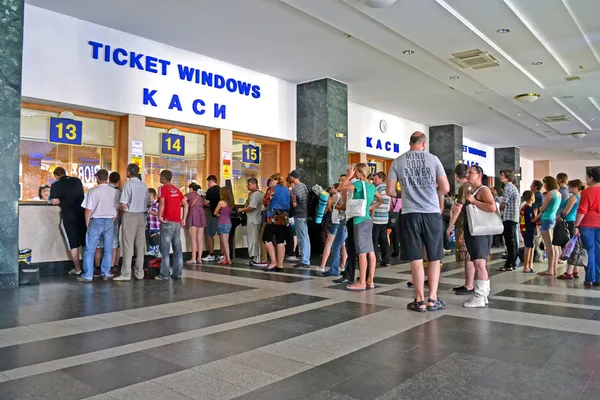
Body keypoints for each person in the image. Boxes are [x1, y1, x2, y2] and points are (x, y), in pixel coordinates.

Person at [387, 131, 450, 312]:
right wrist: (430, 191)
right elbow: (445, 188)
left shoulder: (398, 161)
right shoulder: (434, 159)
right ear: (424, 144)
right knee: (434, 257)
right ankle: (432, 299)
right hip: (431, 213)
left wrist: (405, 194)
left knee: (415, 258)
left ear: (410, 143)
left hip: (409, 213)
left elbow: (391, 191)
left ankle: (419, 300)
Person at [339, 163, 383, 290]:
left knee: (362, 252)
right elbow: (381, 200)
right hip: (368, 219)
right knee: (370, 250)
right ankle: (370, 280)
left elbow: (342, 188)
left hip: (359, 220)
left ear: (360, 172)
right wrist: (369, 208)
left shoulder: (359, 184)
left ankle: (362, 281)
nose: (355, 173)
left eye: (356, 171)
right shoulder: (371, 186)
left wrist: (348, 176)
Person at [461, 166, 496, 307]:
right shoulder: (474, 190)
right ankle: (483, 294)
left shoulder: (483, 190)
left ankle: (480, 297)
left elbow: (492, 207)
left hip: (481, 232)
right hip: (474, 230)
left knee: (479, 263)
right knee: (478, 263)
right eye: (467, 172)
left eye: (471, 173)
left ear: (479, 175)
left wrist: (474, 201)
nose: (467, 175)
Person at [78, 169, 120, 282]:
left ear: (97, 177)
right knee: (108, 249)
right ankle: (106, 273)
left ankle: (88, 275)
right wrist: (113, 218)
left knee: (90, 249)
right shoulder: (114, 191)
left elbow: (88, 209)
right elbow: (117, 208)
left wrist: (87, 222)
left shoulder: (92, 191)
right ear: (107, 178)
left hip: (96, 221)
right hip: (110, 221)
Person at [113, 164, 149, 282]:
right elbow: (148, 202)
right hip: (141, 216)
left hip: (130, 216)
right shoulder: (143, 185)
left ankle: (126, 273)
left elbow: (123, 204)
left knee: (128, 245)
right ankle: (139, 273)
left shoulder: (128, 185)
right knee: (140, 246)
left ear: (128, 173)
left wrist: (120, 210)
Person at [49, 167, 86, 275]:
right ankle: (88, 268)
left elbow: (54, 201)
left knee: (73, 243)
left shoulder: (56, 184)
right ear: (65, 173)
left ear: (56, 175)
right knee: (84, 242)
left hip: (68, 216)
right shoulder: (77, 181)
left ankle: (78, 269)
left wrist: (61, 199)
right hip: (81, 214)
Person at [447, 164, 475, 295]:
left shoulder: (464, 187)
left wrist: (450, 225)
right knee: (468, 256)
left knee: (467, 255)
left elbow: (458, 208)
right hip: (469, 224)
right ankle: (468, 284)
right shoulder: (471, 186)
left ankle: (469, 285)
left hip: (464, 225)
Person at [157, 169, 189, 280]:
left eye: (160, 176)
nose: (159, 178)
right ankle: (177, 274)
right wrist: (183, 218)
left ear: (163, 178)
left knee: (165, 250)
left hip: (167, 222)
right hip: (177, 223)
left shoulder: (162, 188)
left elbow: (162, 202)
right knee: (177, 250)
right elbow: (186, 204)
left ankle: (164, 275)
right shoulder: (176, 190)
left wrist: (159, 215)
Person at [263, 173, 293, 271]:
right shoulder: (288, 190)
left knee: (266, 239)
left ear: (276, 180)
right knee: (280, 241)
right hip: (284, 218)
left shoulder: (272, 190)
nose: (270, 182)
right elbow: (293, 203)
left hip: (273, 218)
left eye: (272, 180)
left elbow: (266, 201)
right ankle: (280, 265)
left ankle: (273, 261)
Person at [532, 176, 561, 276]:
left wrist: (541, 208)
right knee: (553, 246)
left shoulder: (550, 193)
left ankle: (550, 269)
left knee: (548, 246)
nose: (544, 185)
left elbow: (543, 208)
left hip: (546, 219)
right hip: (552, 218)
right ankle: (554, 268)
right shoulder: (559, 194)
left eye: (544, 183)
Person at [575, 167, 600, 286]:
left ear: (591, 178)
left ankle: (590, 278)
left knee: (589, 251)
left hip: (587, 225)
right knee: (598, 251)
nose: (586, 179)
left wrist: (576, 225)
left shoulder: (586, 192)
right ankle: (598, 278)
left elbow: (582, 210)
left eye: (587, 177)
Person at [95, 171, 122, 278]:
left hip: (97, 220)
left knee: (98, 244)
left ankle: (97, 268)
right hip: (112, 220)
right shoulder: (117, 192)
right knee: (113, 244)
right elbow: (119, 207)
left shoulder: (95, 190)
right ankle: (111, 267)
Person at [323, 175, 349, 277]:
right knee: (341, 245)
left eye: (342, 180)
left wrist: (337, 206)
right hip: (343, 222)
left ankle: (337, 269)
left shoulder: (344, 193)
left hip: (344, 222)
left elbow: (343, 207)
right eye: (339, 180)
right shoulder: (342, 193)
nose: (340, 182)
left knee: (337, 245)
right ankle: (341, 268)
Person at [557, 180, 583, 279]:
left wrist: (559, 217)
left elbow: (566, 212)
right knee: (574, 246)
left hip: (569, 222)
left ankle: (569, 272)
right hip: (575, 221)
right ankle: (575, 271)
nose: (569, 189)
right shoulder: (580, 196)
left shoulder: (573, 197)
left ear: (576, 187)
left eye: (571, 187)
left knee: (570, 247)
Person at [238, 178, 264, 267]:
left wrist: (242, 209)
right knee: (252, 239)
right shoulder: (253, 194)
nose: (247, 186)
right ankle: (254, 258)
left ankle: (257, 258)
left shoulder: (256, 195)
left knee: (253, 239)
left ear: (254, 184)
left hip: (254, 219)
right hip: (253, 219)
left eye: (249, 184)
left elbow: (251, 207)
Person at [498, 170, 520, 271]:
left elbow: (504, 202)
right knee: (513, 241)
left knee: (509, 242)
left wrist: (497, 211)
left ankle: (509, 264)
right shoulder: (513, 187)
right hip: (513, 217)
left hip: (509, 217)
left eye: (502, 175)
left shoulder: (508, 187)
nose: (500, 177)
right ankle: (513, 262)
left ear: (507, 177)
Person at [317, 185, 343, 273]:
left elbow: (328, 207)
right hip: (343, 222)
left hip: (335, 221)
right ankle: (342, 266)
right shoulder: (347, 195)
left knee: (329, 243)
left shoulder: (336, 196)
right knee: (343, 245)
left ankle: (323, 266)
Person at [288, 170, 311, 268]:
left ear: (292, 177)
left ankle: (305, 260)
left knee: (301, 238)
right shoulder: (304, 186)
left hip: (299, 214)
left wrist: (291, 192)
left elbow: (294, 204)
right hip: (304, 214)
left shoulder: (296, 188)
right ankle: (306, 258)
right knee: (305, 237)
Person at [372, 172, 391, 266]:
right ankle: (386, 259)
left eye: (376, 179)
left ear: (381, 179)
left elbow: (373, 201)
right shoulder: (388, 188)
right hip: (384, 217)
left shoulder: (377, 189)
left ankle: (375, 259)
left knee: (374, 239)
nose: (374, 181)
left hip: (376, 217)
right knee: (383, 239)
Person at [184, 182, 206, 264]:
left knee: (193, 239)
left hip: (194, 213)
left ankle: (193, 258)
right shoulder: (201, 195)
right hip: (201, 214)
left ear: (191, 189)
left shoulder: (190, 194)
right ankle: (199, 258)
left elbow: (181, 201)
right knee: (200, 238)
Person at [202, 175, 221, 262]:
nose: (207, 185)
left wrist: (212, 205)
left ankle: (211, 254)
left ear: (211, 181)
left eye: (207, 183)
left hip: (214, 216)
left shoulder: (210, 190)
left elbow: (205, 203)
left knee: (209, 233)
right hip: (223, 216)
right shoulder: (221, 190)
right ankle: (222, 255)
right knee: (222, 236)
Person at [214, 186, 233, 265]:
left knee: (224, 242)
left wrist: (218, 214)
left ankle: (228, 259)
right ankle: (225, 258)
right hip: (229, 223)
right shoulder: (230, 202)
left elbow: (215, 212)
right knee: (226, 241)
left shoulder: (221, 202)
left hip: (222, 223)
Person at [520, 191, 536, 274]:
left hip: (527, 229)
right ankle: (526, 266)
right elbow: (532, 220)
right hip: (528, 230)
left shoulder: (525, 207)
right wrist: (540, 215)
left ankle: (530, 264)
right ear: (531, 198)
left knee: (531, 247)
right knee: (528, 247)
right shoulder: (528, 209)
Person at [531, 180, 544, 261]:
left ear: (535, 187)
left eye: (532, 185)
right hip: (541, 220)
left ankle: (538, 256)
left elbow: (535, 210)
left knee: (537, 240)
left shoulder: (536, 196)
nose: (530, 186)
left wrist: (534, 220)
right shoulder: (541, 195)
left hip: (538, 221)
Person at [146, 188, 160, 256]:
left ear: (154, 196)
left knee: (156, 241)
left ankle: (157, 255)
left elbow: (160, 213)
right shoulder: (148, 205)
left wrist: (151, 212)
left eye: (149, 196)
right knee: (150, 242)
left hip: (156, 227)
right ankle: (151, 258)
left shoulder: (157, 204)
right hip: (149, 227)